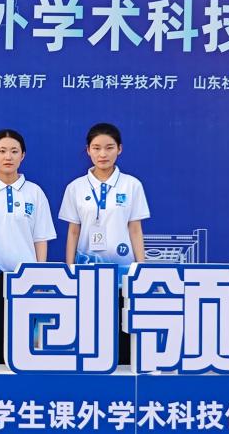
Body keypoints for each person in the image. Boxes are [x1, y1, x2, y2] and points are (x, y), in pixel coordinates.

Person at [59, 122, 149, 364]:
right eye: (96, 148)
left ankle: (125, 376)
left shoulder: (132, 185)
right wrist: (70, 268)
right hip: (87, 272)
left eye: (109, 147)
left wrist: (141, 267)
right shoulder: (76, 187)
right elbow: (73, 232)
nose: (103, 154)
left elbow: (135, 229)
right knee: (92, 330)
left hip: (123, 271)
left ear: (119, 149)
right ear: (88, 150)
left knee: (124, 328)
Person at [0, 129, 56, 364]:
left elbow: (40, 239)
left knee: (21, 349)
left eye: (14, 151)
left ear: (22, 155)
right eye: (2, 151)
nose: (8, 156)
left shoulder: (34, 193)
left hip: (25, 281)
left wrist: (39, 277)